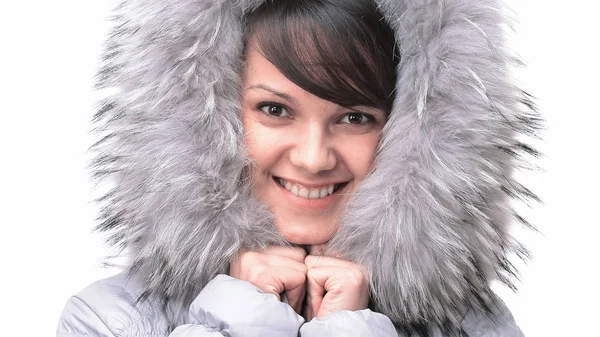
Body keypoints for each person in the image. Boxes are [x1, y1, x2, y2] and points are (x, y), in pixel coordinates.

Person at [57, 0, 541, 336]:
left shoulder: (474, 328)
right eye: (274, 110)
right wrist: (234, 322)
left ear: (413, 133)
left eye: (355, 117)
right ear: (204, 118)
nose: (313, 157)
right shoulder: (108, 321)